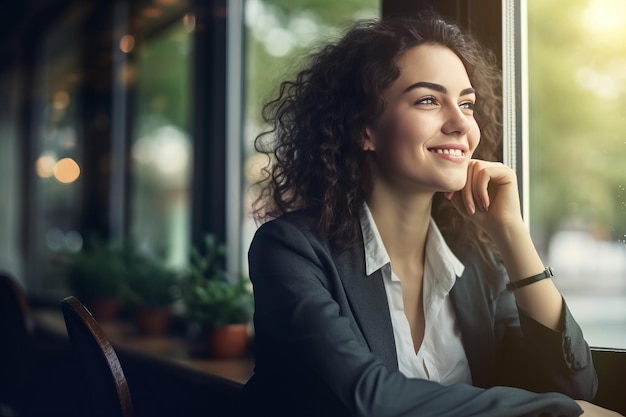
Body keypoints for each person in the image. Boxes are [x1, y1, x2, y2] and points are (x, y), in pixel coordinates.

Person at [238, 13, 622, 417]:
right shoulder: (291, 250)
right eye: (428, 100)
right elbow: (365, 400)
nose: (460, 123)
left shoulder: (477, 264)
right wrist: (556, 412)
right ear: (363, 128)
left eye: (467, 103)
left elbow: (577, 385)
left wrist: (512, 234)